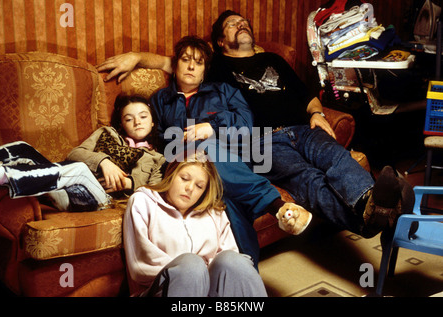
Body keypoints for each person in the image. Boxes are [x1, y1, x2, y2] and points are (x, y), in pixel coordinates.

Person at [97, 11, 414, 252]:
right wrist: (137, 57)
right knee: (307, 179)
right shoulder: (217, 65)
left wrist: (317, 113)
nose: (242, 25)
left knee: (334, 156)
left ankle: (372, 208)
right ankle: (373, 215)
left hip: (302, 129)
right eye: (233, 25)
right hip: (262, 143)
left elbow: (306, 94)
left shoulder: (274, 58)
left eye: (243, 22)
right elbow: (177, 63)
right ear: (221, 42)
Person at [150, 35, 312, 266]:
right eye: (185, 59)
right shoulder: (160, 99)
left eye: (198, 62)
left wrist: (211, 127)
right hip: (183, 162)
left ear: (205, 70)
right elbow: (156, 138)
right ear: (175, 65)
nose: (191, 66)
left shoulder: (223, 91)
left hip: (228, 160)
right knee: (205, 155)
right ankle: (275, 206)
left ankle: (246, 271)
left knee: (225, 195)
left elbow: (246, 125)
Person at [123, 150, 267, 297]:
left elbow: (230, 267)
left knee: (234, 260)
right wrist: (195, 272)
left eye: (199, 186)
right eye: (184, 178)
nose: (190, 188)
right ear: (171, 174)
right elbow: (140, 267)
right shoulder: (143, 201)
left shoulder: (215, 213)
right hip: (158, 291)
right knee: (192, 265)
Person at [0, 95, 165, 212]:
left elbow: (155, 194)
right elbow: (74, 154)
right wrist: (104, 162)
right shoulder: (106, 133)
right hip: (65, 189)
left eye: (143, 117)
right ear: (121, 124)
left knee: (80, 170)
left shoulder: (157, 159)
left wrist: (128, 183)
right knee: (23, 148)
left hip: (102, 199)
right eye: (129, 119)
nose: (137, 122)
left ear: (152, 123)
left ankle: (2, 176)